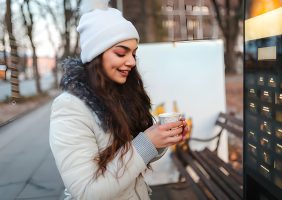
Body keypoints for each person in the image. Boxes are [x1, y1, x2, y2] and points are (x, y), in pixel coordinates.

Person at [49, 0, 189, 199]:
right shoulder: (69, 107)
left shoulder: (121, 94)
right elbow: (86, 192)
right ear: (96, 55)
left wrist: (161, 139)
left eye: (133, 53)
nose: (131, 61)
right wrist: (147, 142)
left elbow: (133, 158)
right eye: (121, 53)